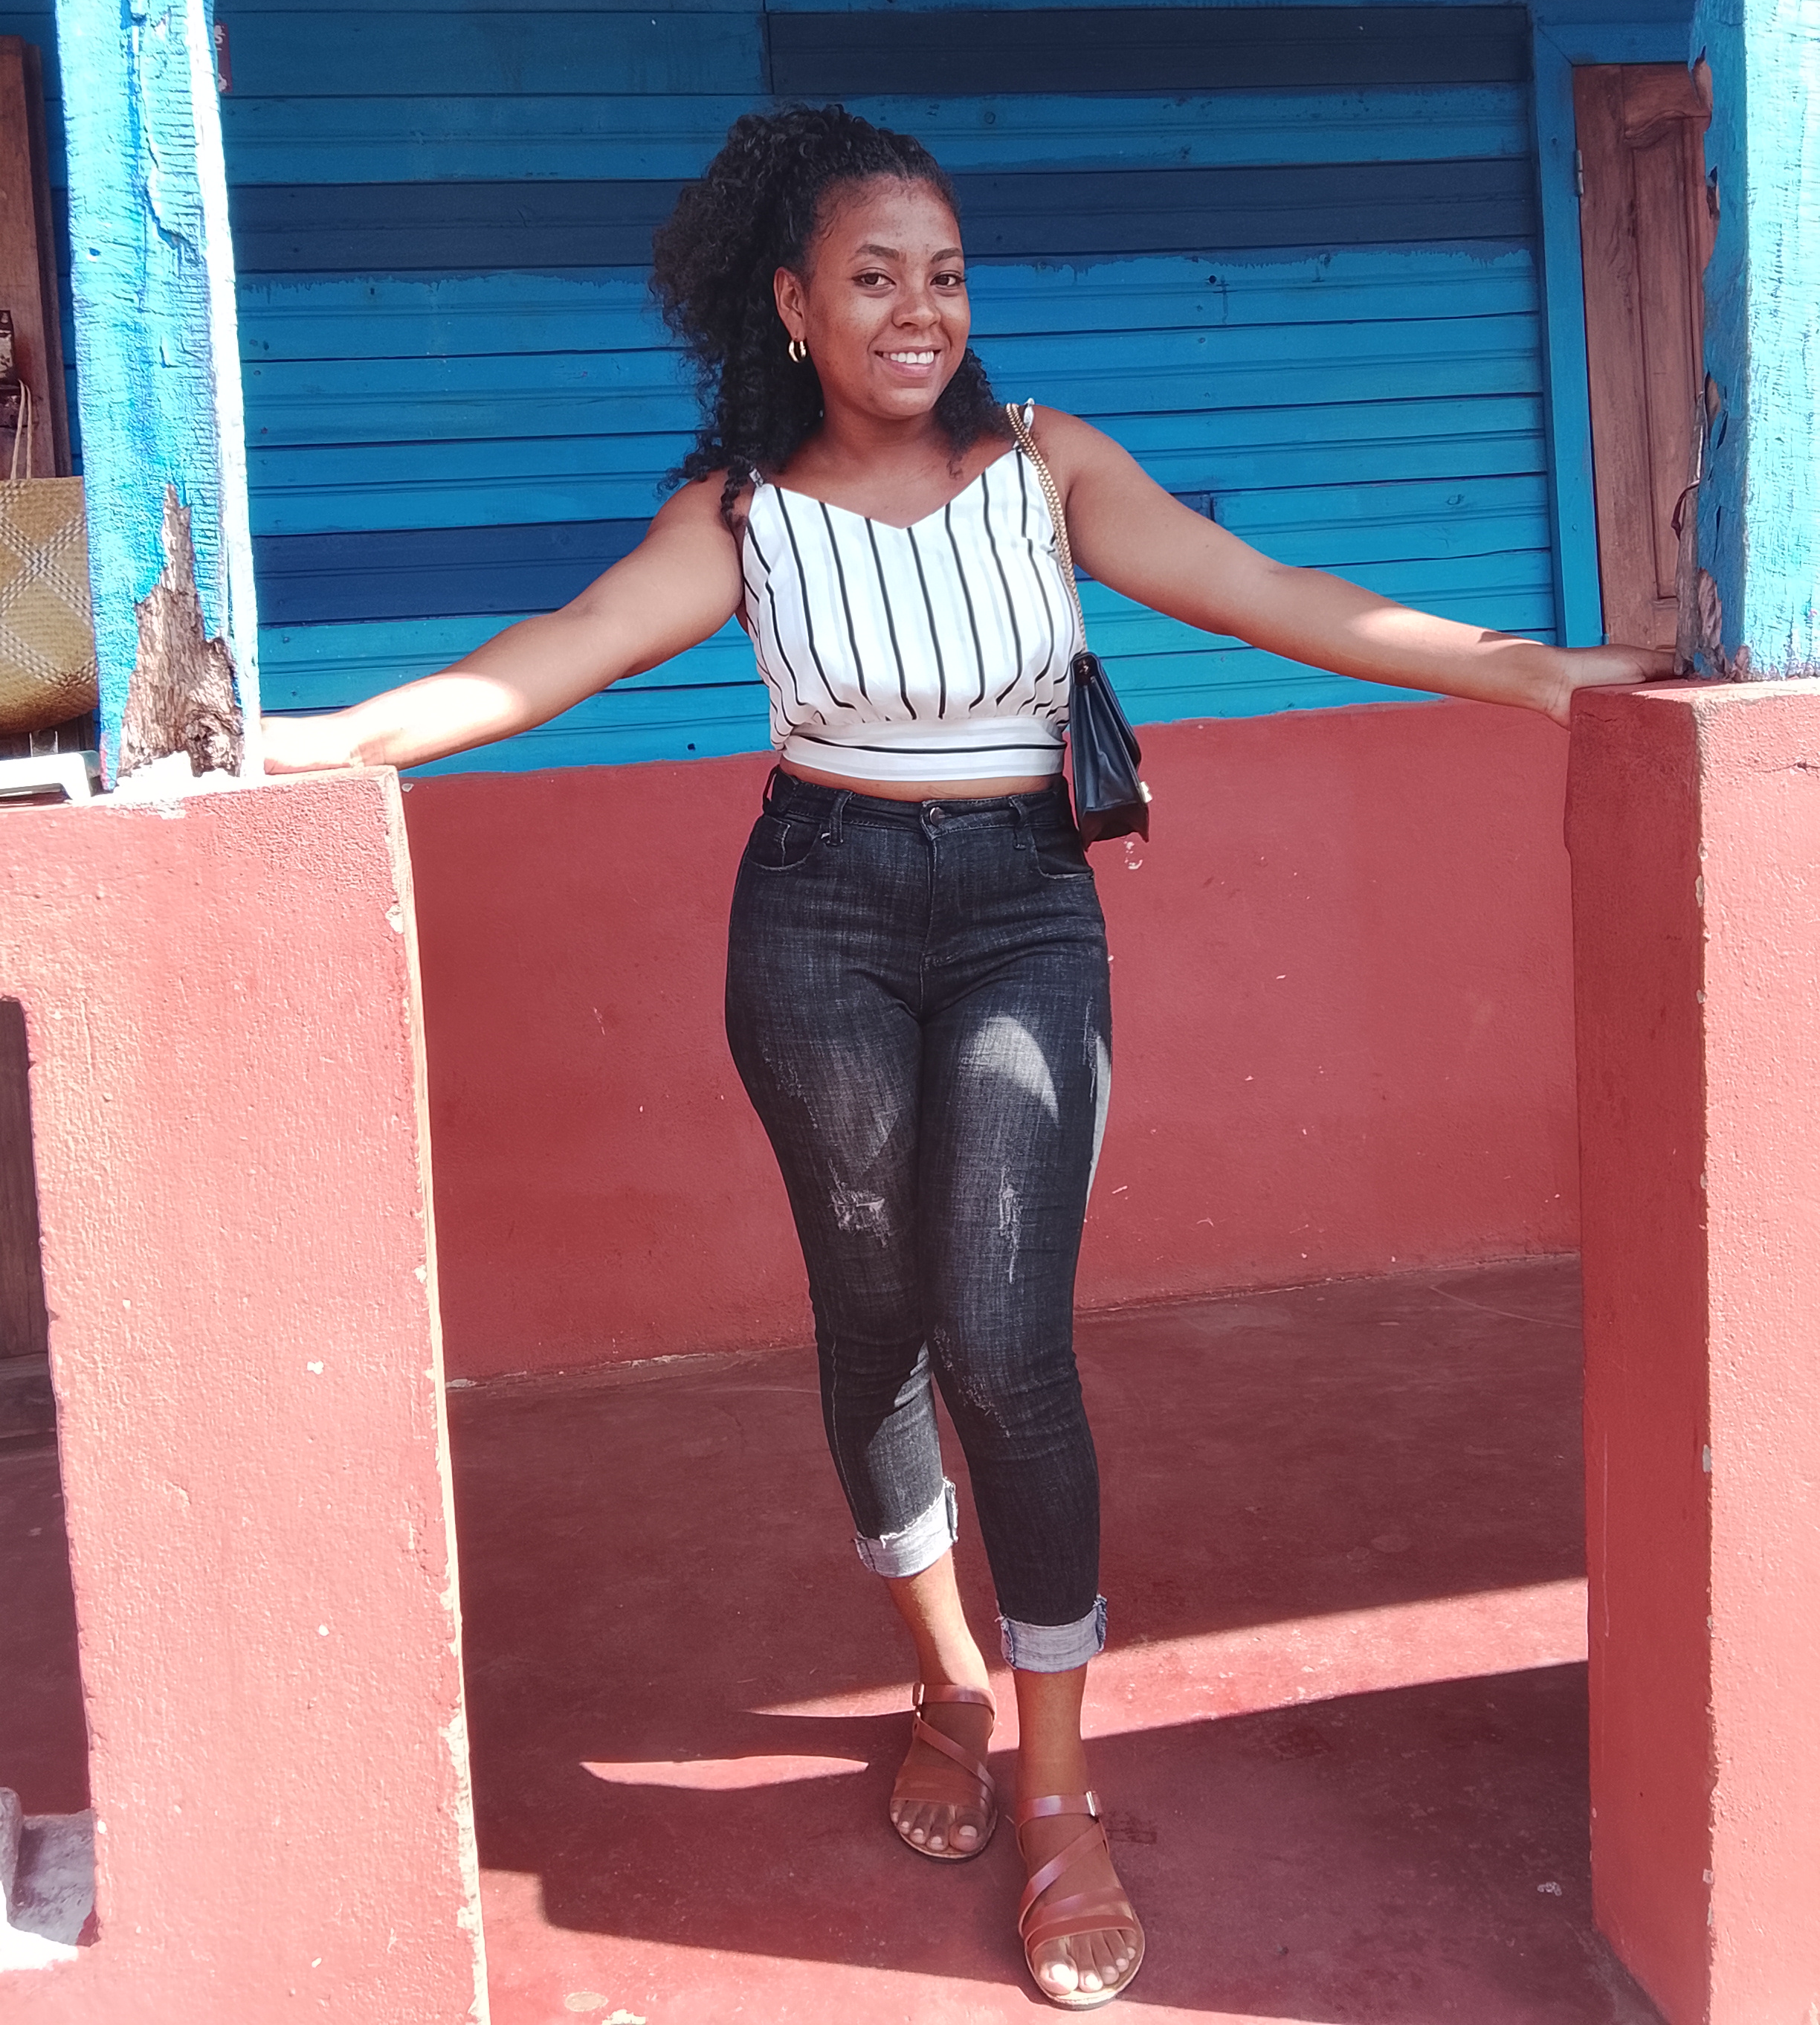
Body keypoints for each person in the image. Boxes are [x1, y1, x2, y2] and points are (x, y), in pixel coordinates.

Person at [265, 103, 1667, 2009]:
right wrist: (321, 741)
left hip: (1023, 910)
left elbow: (1273, 594)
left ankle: (1060, 1784)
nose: (918, 310)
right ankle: (942, 1681)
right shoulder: (740, 520)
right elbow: (561, 651)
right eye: (873, 277)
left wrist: (1530, 668)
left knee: (1006, 1340)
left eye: (944, 274)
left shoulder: (1047, 469)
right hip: (819, 914)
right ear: (790, 304)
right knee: (874, 1322)